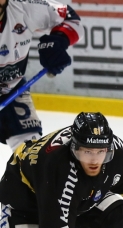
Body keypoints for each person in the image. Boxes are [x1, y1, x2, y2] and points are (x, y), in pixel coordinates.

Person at [0, 0, 81, 150]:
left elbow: (69, 17)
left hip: (13, 90)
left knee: (32, 156)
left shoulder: (24, 6)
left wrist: (58, 40)